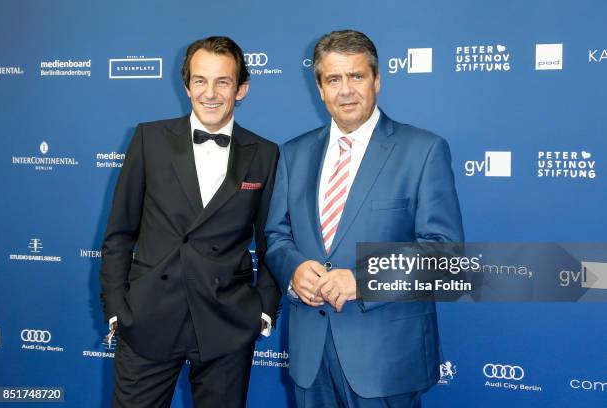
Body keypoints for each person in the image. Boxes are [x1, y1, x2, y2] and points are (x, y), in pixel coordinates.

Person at [265, 30, 464, 407]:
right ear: (320, 88)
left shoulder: (423, 150)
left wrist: (362, 280)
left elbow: (445, 255)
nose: (346, 91)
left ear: (377, 80)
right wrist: (293, 270)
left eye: (356, 76)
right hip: (311, 356)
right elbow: (277, 235)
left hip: (387, 358)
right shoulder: (293, 153)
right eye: (333, 79)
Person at [99, 36, 280, 408]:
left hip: (226, 322)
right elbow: (119, 233)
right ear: (186, 86)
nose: (210, 93)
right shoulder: (149, 139)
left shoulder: (264, 153)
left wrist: (262, 309)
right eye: (200, 80)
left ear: (241, 88)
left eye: (223, 82)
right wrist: (117, 307)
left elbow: (272, 240)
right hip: (148, 318)